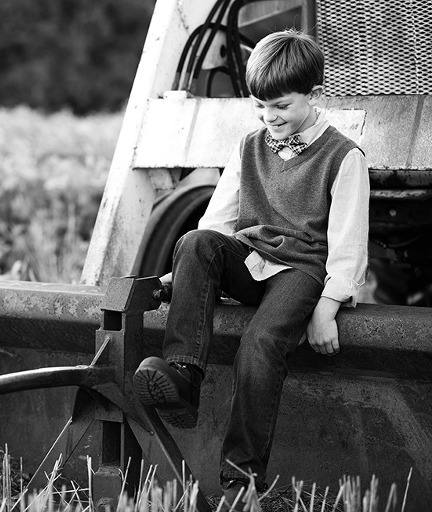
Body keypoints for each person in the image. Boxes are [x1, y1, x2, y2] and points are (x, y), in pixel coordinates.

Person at [132, 30, 369, 509]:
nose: (269, 117)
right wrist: (185, 277)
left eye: (280, 105)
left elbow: (348, 244)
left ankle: (242, 479)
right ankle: (182, 376)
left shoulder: (344, 156)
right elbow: (216, 222)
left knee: (259, 346)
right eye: (260, 106)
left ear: (314, 95)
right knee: (195, 242)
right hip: (250, 257)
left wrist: (327, 307)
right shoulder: (250, 145)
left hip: (299, 271)